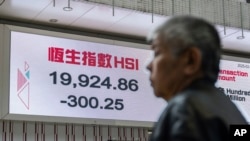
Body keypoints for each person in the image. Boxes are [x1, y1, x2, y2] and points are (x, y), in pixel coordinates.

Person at [146, 16, 247, 141]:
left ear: (191, 60)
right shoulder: (231, 110)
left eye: (157, 53)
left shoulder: (186, 109)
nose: (148, 66)